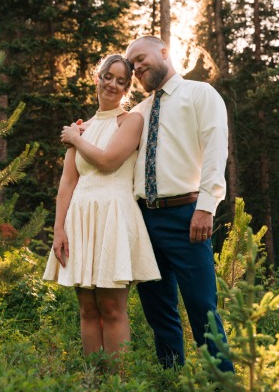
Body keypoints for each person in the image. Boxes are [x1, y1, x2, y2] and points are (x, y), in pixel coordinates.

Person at [124, 35, 234, 372]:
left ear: (164, 52)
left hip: (188, 216)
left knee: (203, 307)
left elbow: (216, 150)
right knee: (159, 310)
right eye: (132, 66)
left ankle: (222, 380)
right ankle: (170, 379)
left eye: (140, 58)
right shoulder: (138, 113)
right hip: (144, 219)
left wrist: (206, 206)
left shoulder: (200, 94)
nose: (136, 67)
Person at [43, 54, 161, 360]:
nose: (113, 84)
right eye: (108, 76)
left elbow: (108, 161)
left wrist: (74, 138)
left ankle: (117, 382)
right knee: (87, 308)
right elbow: (68, 183)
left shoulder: (131, 120)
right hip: (80, 217)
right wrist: (59, 230)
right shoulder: (84, 128)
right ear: (98, 77)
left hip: (113, 214)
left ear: (126, 89)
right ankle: (92, 381)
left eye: (121, 81)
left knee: (111, 307)